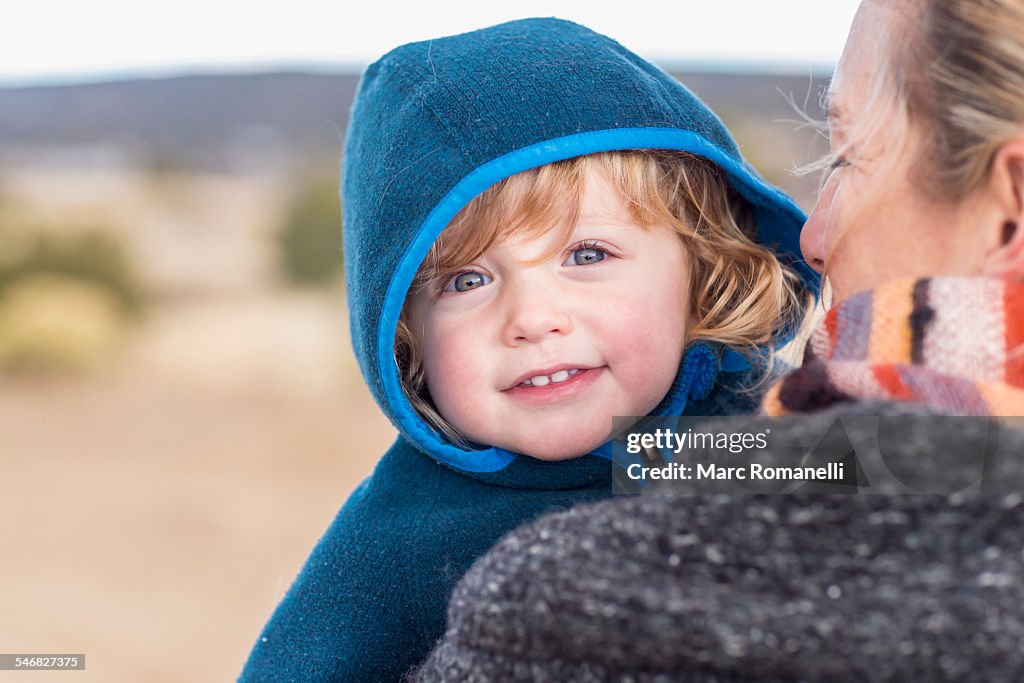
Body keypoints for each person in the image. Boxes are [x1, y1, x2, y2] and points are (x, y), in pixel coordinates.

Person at [411, 1, 1024, 680]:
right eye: (466, 278)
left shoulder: (546, 619)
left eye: (846, 157)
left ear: (1012, 207)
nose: (812, 240)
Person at [238, 17, 817, 682]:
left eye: (588, 254)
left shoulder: (744, 431)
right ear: (405, 334)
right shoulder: (401, 534)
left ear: (701, 265)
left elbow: (949, 466)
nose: (533, 319)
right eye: (467, 280)